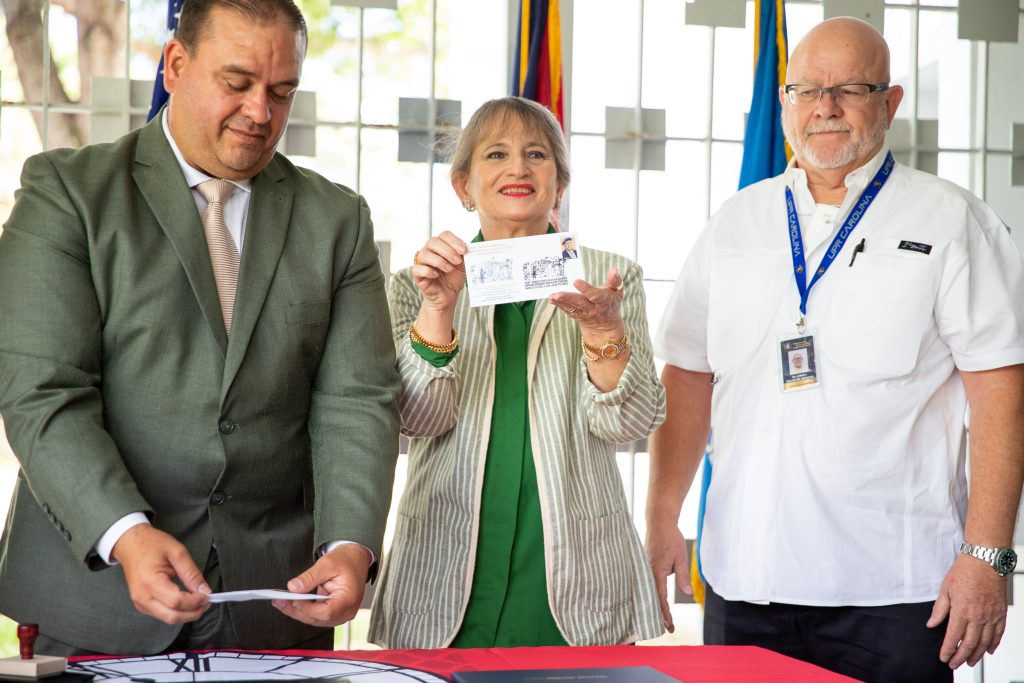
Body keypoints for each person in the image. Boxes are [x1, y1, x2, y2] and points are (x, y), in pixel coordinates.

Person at [0, 0, 401, 656]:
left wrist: (350, 543)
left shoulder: (338, 221)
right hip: (94, 601)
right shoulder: (67, 194)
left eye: (281, 91)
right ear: (176, 64)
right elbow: (42, 393)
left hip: (276, 604)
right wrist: (124, 532)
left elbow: (357, 402)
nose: (260, 113)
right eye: (237, 83)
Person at [646, 17, 1024, 683]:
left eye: (851, 88)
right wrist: (662, 515)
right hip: (745, 581)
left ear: (891, 102)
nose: (825, 107)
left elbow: (1000, 391)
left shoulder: (952, 220)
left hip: (896, 592)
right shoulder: (736, 222)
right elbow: (687, 375)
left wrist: (988, 554)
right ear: (785, 101)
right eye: (806, 89)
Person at [368, 97, 665, 649]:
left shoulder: (608, 278)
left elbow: (631, 423)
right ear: (463, 185)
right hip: (445, 568)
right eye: (496, 154)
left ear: (560, 182)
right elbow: (416, 419)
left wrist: (603, 331)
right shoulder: (417, 282)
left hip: (573, 572)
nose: (519, 168)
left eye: (537, 154)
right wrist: (438, 310)